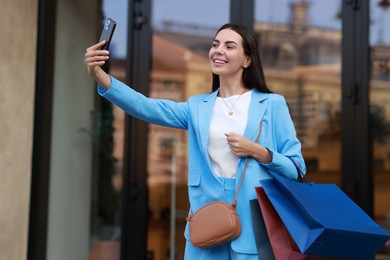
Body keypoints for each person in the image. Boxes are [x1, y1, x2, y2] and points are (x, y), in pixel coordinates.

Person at [85, 23, 306, 260]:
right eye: (215, 44)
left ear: (247, 60)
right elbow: (146, 107)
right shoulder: (197, 107)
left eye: (229, 46)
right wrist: (101, 76)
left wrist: (259, 151)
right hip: (206, 220)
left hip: (254, 223)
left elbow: (296, 168)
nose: (218, 50)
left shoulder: (272, 104)